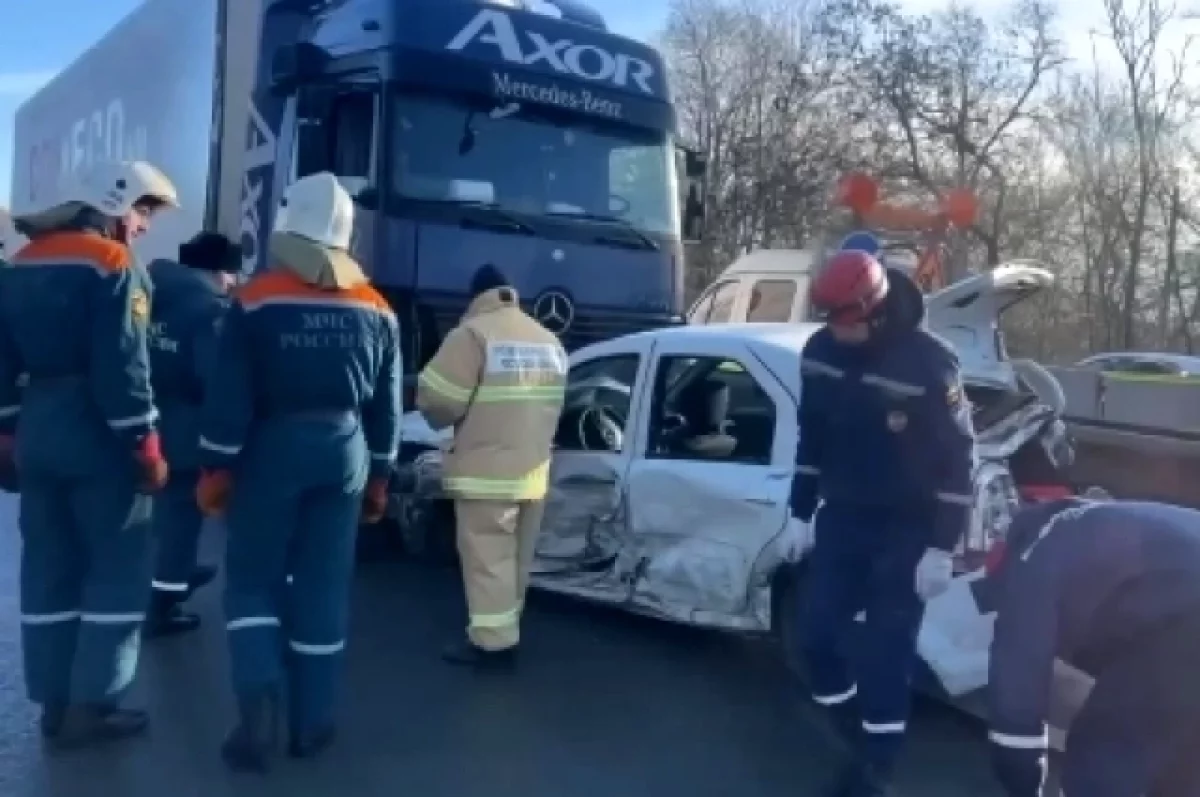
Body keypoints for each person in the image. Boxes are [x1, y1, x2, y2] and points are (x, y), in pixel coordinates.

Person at [195, 172, 401, 772]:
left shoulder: (255, 299)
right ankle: (313, 723)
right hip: (346, 451)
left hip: (273, 448)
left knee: (252, 579)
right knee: (323, 585)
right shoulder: (378, 308)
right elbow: (387, 406)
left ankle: (258, 702)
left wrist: (216, 465)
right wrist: (381, 475)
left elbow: (230, 394)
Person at [0, 160, 177, 748]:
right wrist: (145, 442)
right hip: (97, 435)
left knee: (48, 567)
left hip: (38, 429)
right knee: (115, 567)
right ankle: (93, 703)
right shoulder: (113, 265)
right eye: (143, 210)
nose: (144, 225)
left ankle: (52, 703)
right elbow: (124, 366)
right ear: (112, 203)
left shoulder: (17, 266)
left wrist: (7, 432)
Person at [789, 249, 976, 796]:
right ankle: (853, 730)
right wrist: (799, 510)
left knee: (886, 649)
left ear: (875, 309)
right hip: (844, 516)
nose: (836, 330)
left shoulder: (929, 363)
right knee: (816, 634)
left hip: (908, 525)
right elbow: (811, 437)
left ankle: (876, 766)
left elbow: (958, 459)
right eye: (829, 319)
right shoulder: (819, 353)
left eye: (845, 320)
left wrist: (942, 545)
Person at [975, 498, 1200, 797]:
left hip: (1186, 626)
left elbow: (1019, 672)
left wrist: (1020, 776)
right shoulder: (1105, 523)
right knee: (1182, 756)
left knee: (1107, 748)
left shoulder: (1042, 549)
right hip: (1179, 623)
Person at [416, 264, 567, 668]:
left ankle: (492, 644)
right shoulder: (548, 340)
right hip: (533, 473)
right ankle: (506, 629)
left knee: (488, 560)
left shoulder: (473, 335)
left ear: (476, 296)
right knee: (516, 561)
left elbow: (438, 402)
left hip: (487, 473)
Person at [143, 232, 241, 638]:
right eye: (232, 274)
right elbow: (214, 377)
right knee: (183, 509)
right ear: (217, 271)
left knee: (157, 510)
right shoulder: (208, 310)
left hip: (150, 415)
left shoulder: (151, 294)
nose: (233, 283)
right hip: (186, 424)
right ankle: (164, 598)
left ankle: (169, 575)